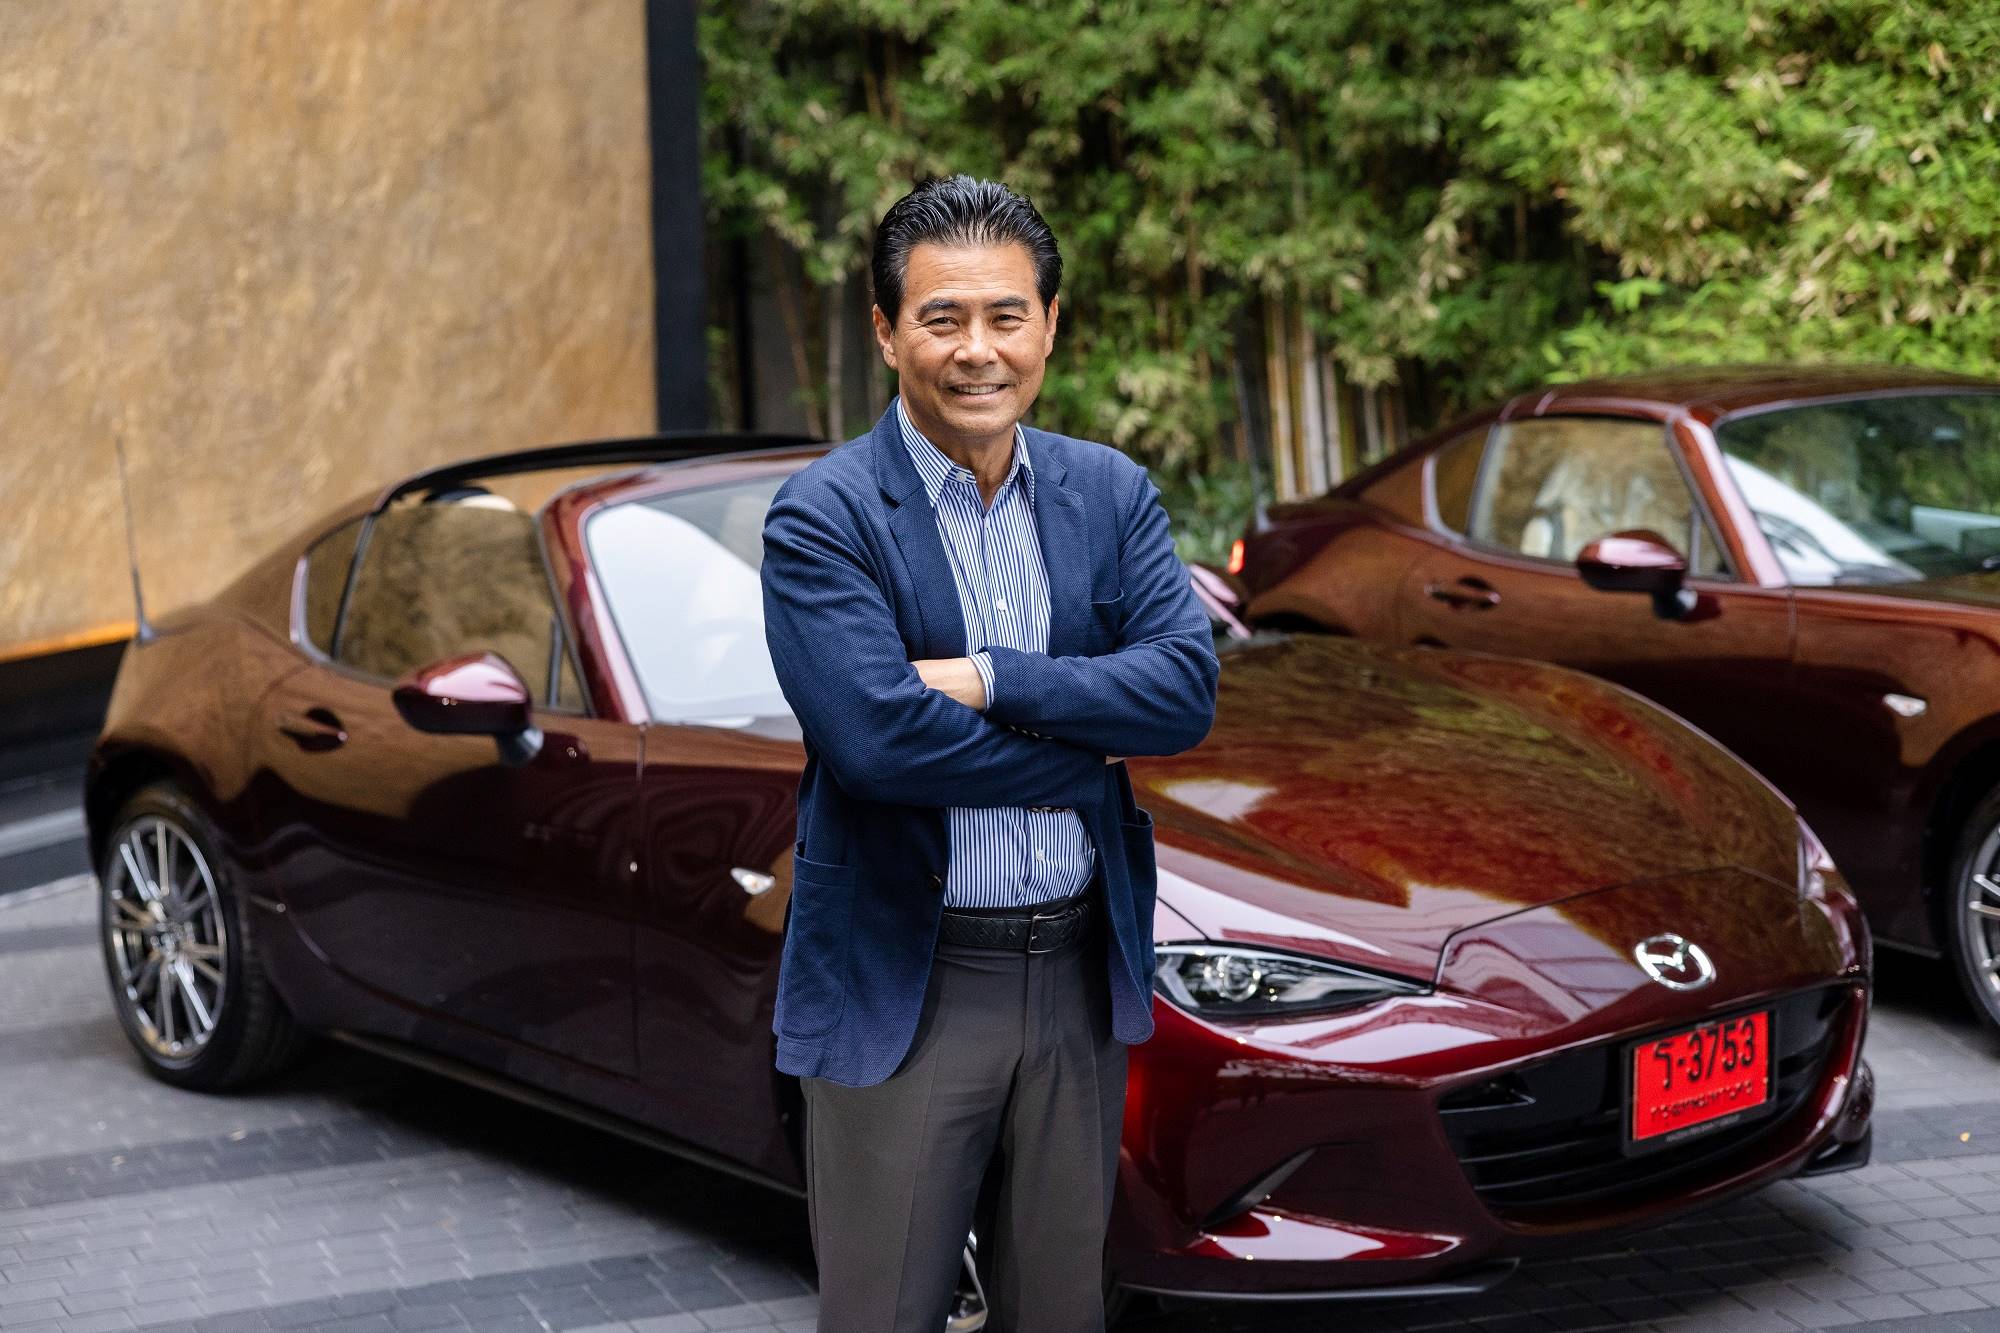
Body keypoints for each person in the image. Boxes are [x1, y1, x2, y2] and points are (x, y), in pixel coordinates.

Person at [759, 174, 1220, 1332]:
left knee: (1058, 1310)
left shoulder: (1107, 493)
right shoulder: (823, 514)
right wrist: (1080, 763)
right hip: (907, 980)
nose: (977, 350)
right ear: (886, 331)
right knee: (884, 1313)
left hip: (1074, 973)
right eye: (942, 317)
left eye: (1006, 316)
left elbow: (1180, 691)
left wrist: (988, 677)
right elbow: (876, 741)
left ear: (1048, 326)